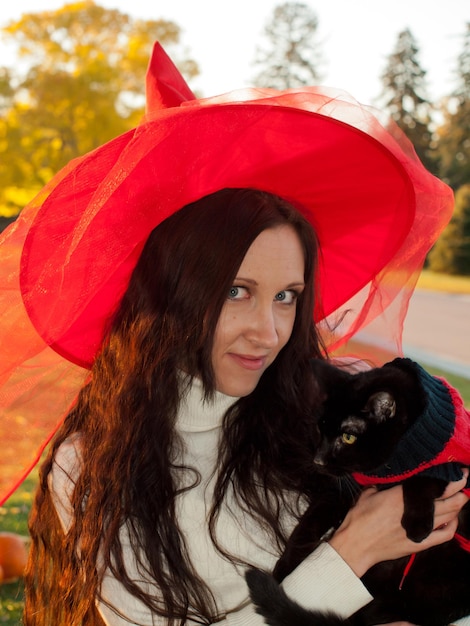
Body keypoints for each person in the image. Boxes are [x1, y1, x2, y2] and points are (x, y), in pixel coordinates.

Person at [0, 43, 467, 625]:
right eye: (235, 291)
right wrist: (354, 551)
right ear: (170, 293)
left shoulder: (313, 414)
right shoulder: (91, 465)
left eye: (286, 297)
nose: (268, 332)